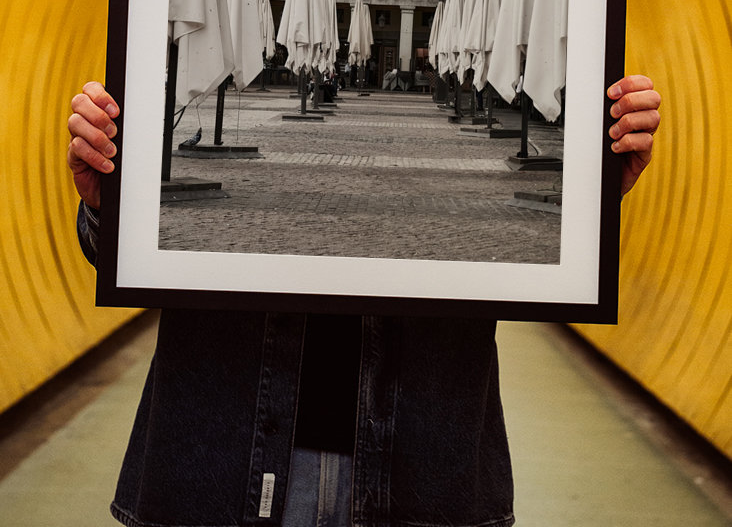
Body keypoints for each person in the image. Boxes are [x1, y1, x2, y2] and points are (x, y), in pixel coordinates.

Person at [68, 75, 660, 527]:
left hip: (424, 469)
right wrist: (109, 205)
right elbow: (121, 255)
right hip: (217, 459)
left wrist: (592, 203)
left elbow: (547, 263)